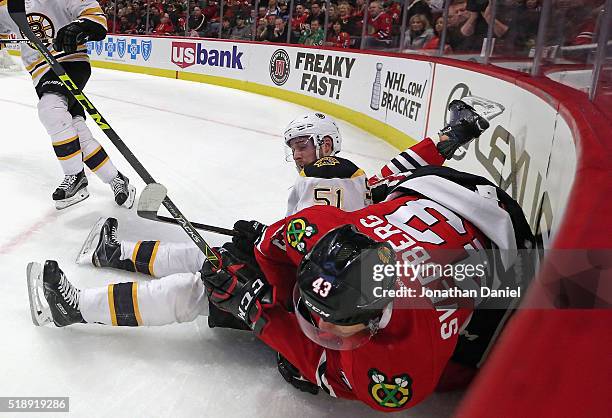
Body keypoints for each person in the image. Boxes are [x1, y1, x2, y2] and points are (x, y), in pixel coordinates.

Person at [30, 102, 534, 411]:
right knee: (219, 260)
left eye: (306, 145)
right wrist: (262, 262)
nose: (298, 153)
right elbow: (392, 175)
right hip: (340, 259)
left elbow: (328, 368)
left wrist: (258, 308)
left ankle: (78, 304)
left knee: (201, 289)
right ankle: (117, 253)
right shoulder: (347, 209)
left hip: (359, 258)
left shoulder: (418, 332)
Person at [0, 0, 136, 210]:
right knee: (76, 130)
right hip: (40, 73)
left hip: (70, 61)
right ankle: (116, 179)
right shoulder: (8, 4)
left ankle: (75, 176)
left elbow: (95, 17)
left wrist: (80, 27)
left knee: (51, 110)